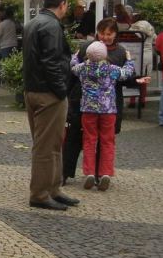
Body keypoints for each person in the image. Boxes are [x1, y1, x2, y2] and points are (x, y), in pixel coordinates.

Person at [62, 18, 148, 183]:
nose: (105, 37)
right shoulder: (87, 48)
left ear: (115, 34)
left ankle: (98, 174)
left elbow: (74, 68)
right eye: (102, 33)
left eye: (109, 34)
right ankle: (65, 173)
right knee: (75, 139)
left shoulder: (120, 52)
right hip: (87, 102)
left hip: (99, 104)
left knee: (99, 140)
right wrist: (68, 97)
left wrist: (138, 81)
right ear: (97, 32)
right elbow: (72, 76)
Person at [22, 0, 80, 211]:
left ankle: (53, 188)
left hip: (33, 89)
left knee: (52, 143)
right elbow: (52, 62)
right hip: (49, 93)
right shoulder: (52, 26)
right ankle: (40, 192)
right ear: (63, 4)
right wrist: (61, 90)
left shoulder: (32, 23)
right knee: (47, 146)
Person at [71, 40, 134, 192]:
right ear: (105, 54)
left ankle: (89, 172)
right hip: (108, 110)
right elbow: (126, 73)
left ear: (88, 55)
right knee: (107, 141)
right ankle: (105, 172)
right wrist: (129, 60)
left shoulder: (83, 68)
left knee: (89, 141)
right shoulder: (111, 69)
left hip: (88, 110)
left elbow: (72, 67)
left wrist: (75, 55)